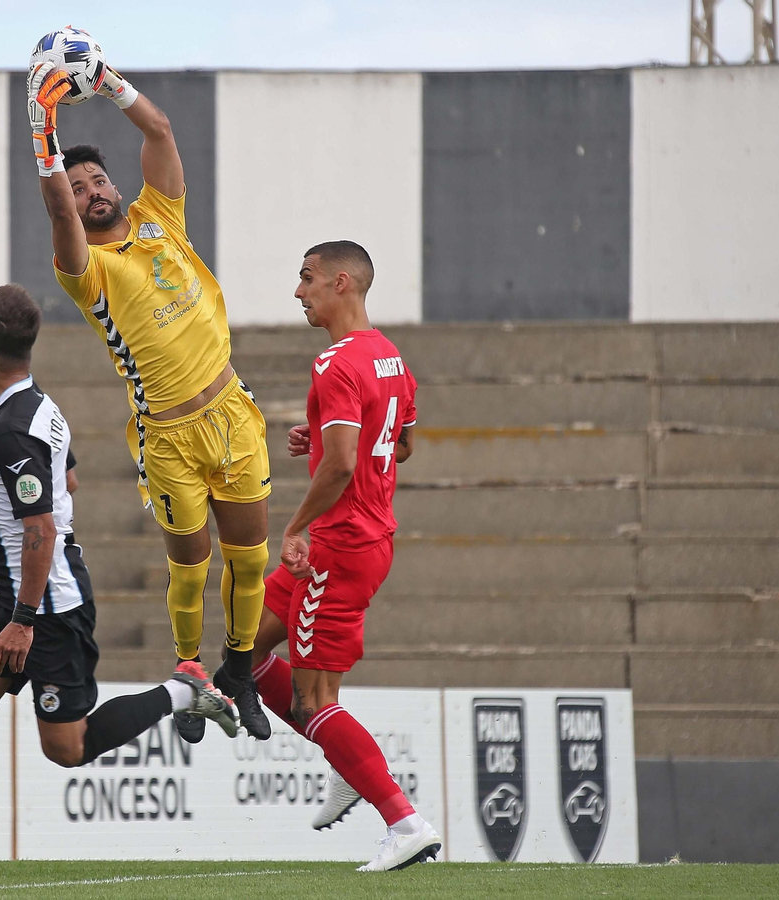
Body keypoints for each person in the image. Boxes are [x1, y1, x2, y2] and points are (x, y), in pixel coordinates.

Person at [0, 285, 238, 889]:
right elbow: (68, 481)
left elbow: (43, 528)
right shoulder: (36, 407)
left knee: (67, 748)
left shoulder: (13, 428)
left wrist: (23, 619)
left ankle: (182, 692)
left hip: (44, 606)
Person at [27, 41, 272, 743]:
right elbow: (58, 215)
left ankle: (239, 672)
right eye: (79, 189)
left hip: (230, 410)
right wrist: (43, 130)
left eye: (98, 180)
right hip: (166, 434)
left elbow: (159, 130)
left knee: (251, 558)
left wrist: (105, 80)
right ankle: (190, 673)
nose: (93, 192)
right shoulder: (87, 269)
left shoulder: (160, 215)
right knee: (190, 565)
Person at [248, 242, 443, 872]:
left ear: (341, 283)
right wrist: (326, 435)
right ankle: (347, 763)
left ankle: (405, 823)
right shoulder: (389, 356)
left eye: (306, 278)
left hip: (338, 546)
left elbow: (339, 467)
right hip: (366, 537)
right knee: (243, 651)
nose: (298, 291)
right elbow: (401, 445)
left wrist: (295, 527)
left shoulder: (335, 362)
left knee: (312, 702)